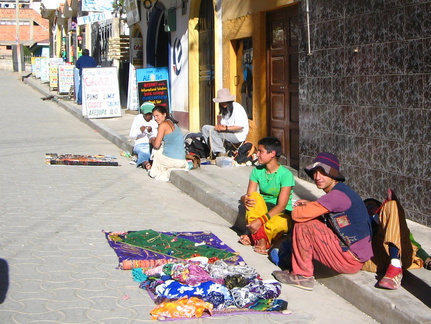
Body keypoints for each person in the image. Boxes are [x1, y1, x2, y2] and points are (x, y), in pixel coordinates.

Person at [272, 152, 373, 291]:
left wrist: (303, 208)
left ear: (333, 175)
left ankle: (302, 275)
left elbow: (298, 215)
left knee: (304, 225)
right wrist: (311, 205)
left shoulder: (336, 196)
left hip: (350, 259)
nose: (317, 177)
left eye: (323, 173)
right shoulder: (341, 191)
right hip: (354, 255)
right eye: (315, 173)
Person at [239, 136, 295, 255]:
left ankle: (254, 237)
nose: (257, 154)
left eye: (261, 151)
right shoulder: (257, 171)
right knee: (253, 198)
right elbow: (250, 195)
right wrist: (244, 199)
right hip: (261, 209)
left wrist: (260, 220)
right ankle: (262, 240)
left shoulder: (286, 175)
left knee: (280, 224)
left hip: (279, 213)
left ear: (272, 153)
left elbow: (282, 205)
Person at [362, 194, 428, 290]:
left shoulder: (393, 222)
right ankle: (395, 267)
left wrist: (426, 258)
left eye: (371, 205)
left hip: (402, 258)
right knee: (392, 206)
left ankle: (395, 266)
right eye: (365, 207)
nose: (368, 208)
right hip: (376, 260)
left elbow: (412, 243)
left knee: (393, 205)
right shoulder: (364, 221)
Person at [201, 88, 249, 158]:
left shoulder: (237, 107)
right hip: (227, 132)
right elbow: (223, 124)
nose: (223, 104)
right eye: (221, 102)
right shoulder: (225, 110)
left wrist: (225, 128)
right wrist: (219, 127)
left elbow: (240, 126)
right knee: (205, 128)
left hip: (237, 135)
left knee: (213, 132)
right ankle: (213, 150)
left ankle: (221, 153)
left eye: (225, 102)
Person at [147, 106, 188, 182]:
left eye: (157, 115)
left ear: (164, 114)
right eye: (154, 116)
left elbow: (156, 145)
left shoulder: (163, 125)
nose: (156, 118)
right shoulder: (173, 123)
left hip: (174, 160)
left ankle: (154, 172)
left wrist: (151, 139)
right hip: (182, 160)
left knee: (156, 153)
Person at [128, 101, 158, 169]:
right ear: (142, 113)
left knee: (152, 153)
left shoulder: (154, 120)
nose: (148, 116)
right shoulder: (138, 118)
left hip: (151, 144)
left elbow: (155, 135)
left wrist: (150, 132)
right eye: (146, 114)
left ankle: (138, 158)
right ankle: (145, 163)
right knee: (144, 152)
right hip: (140, 144)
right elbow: (132, 135)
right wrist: (140, 131)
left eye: (150, 114)